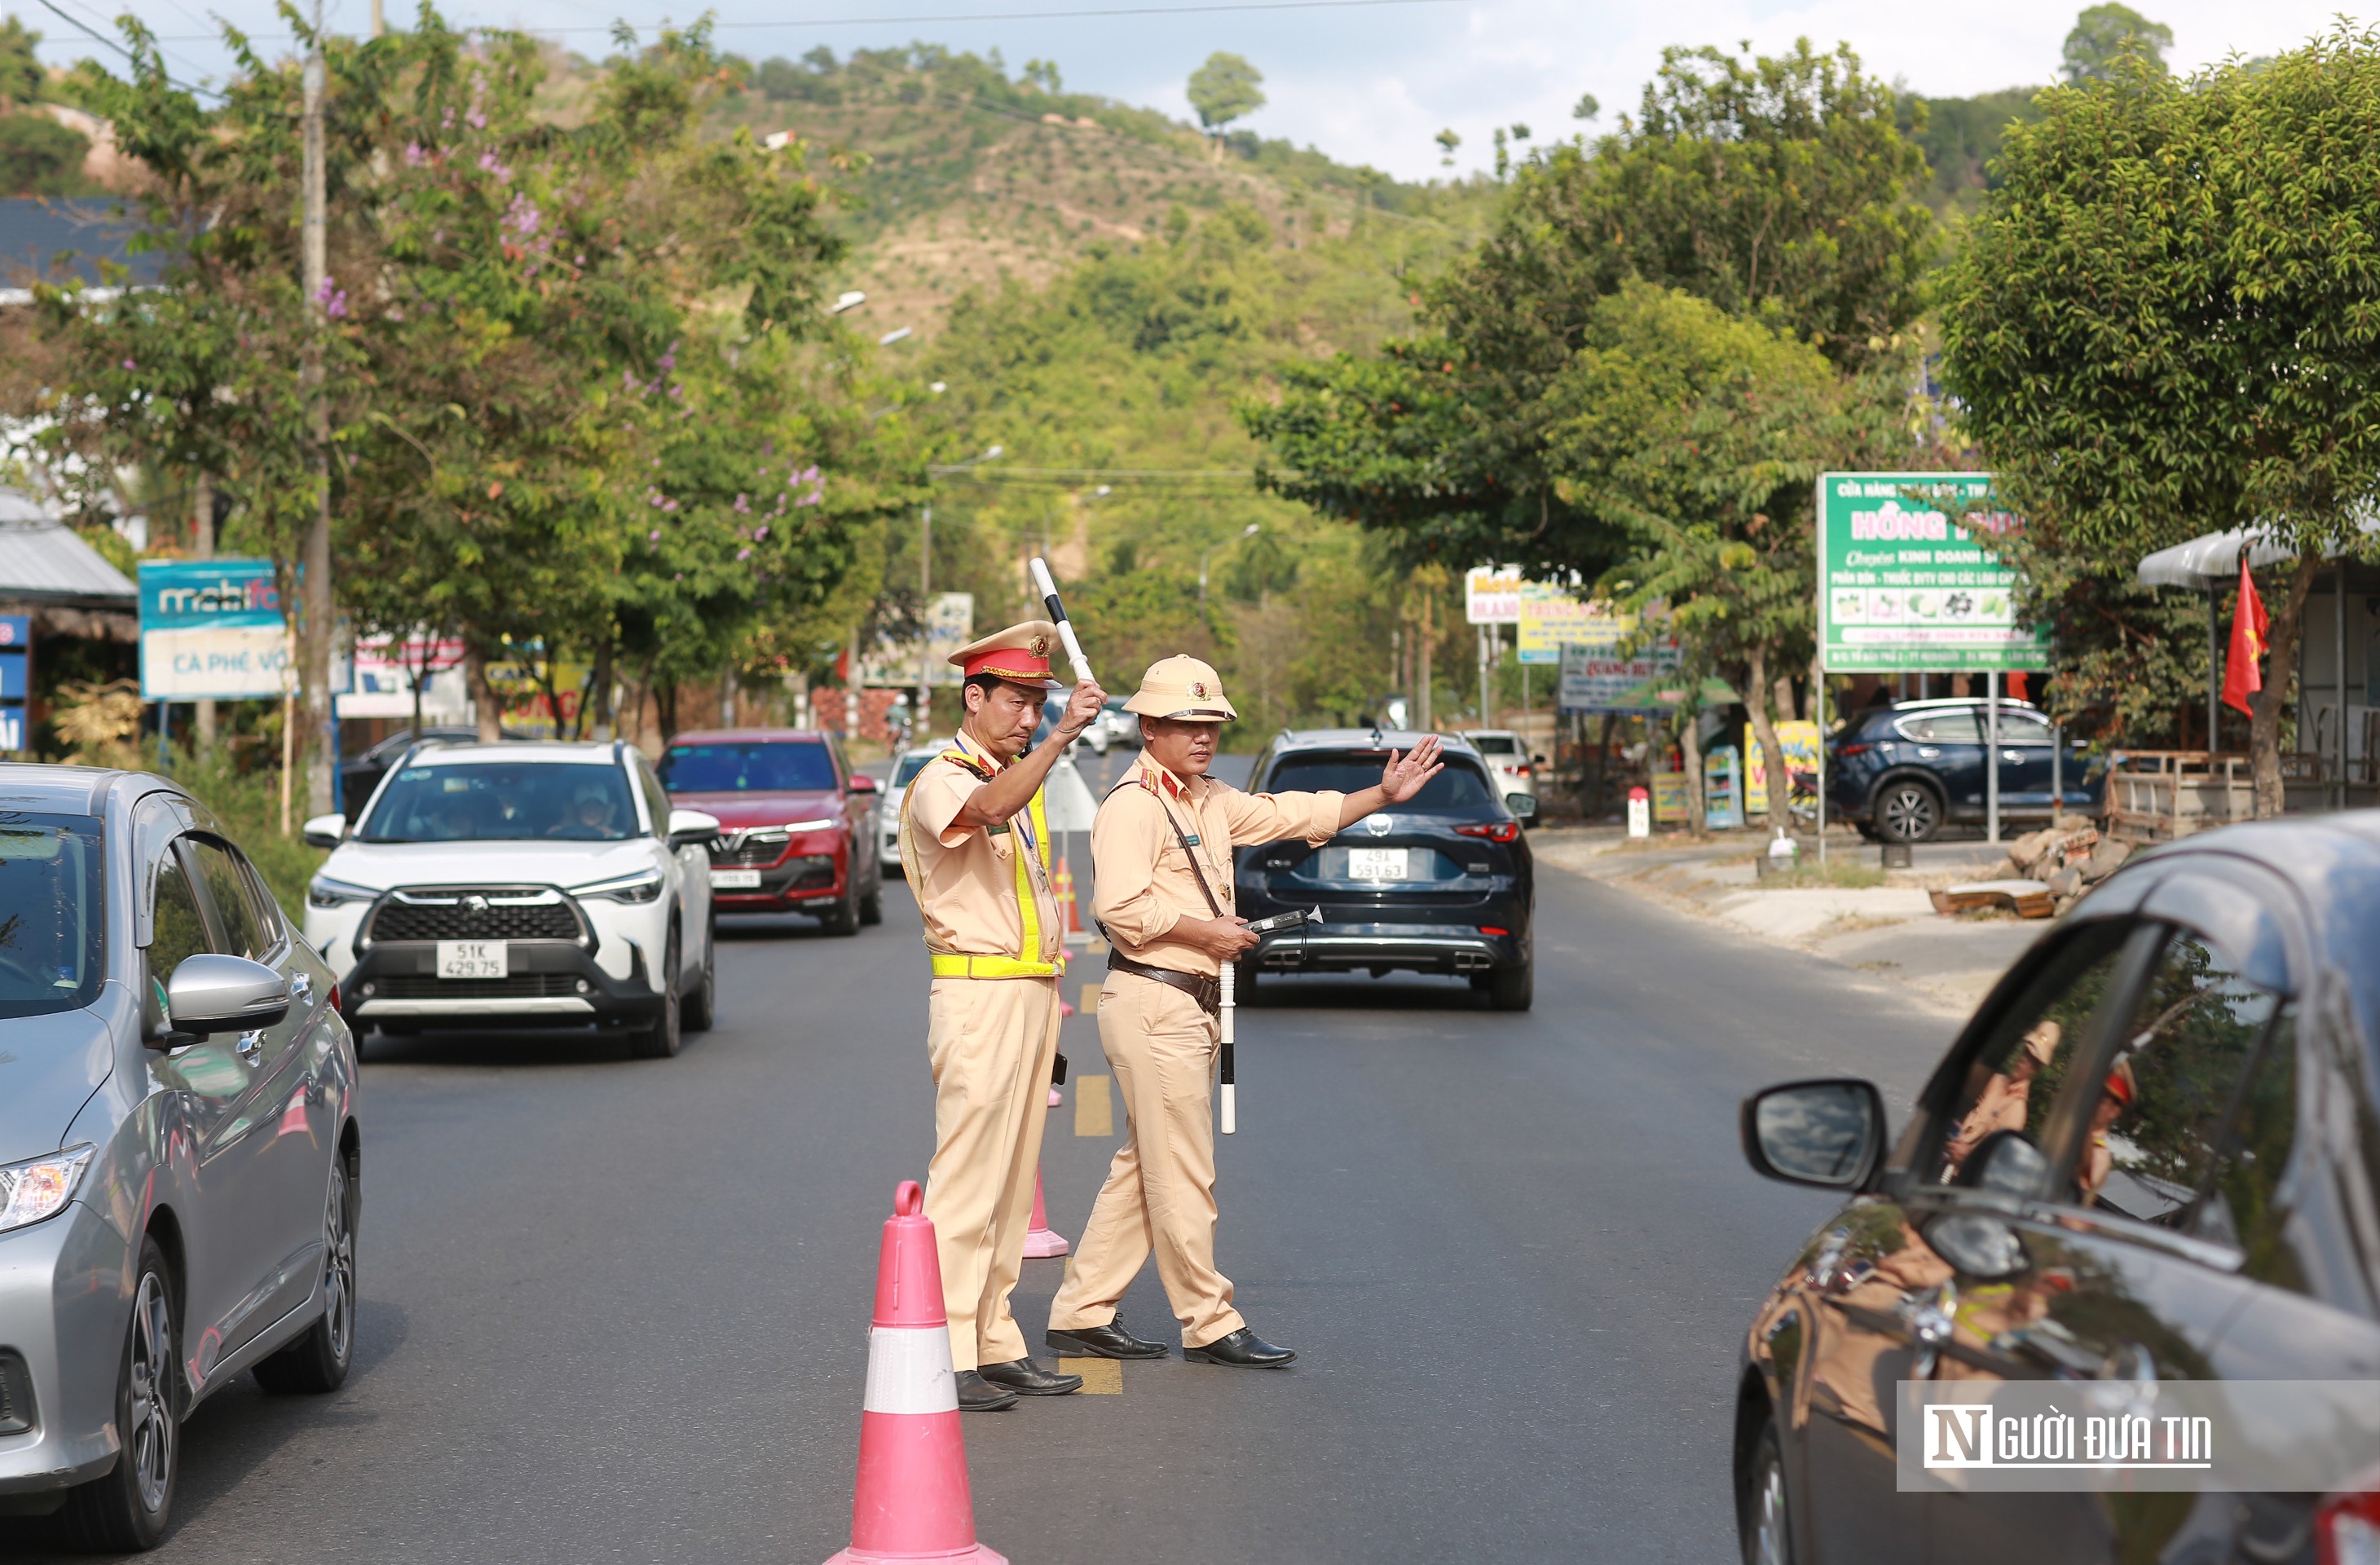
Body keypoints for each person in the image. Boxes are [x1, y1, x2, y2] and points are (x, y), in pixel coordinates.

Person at [1047, 655, 1442, 1368]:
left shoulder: (1207, 797)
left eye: (1212, 723)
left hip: (1184, 1003)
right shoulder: (1134, 805)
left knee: (1148, 1167)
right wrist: (1210, 932)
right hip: (1154, 998)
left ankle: (1080, 1311)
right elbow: (1120, 908)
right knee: (1185, 1171)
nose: (1203, 737)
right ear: (1149, 727)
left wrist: (1382, 793)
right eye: (1186, 723)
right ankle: (1208, 1321)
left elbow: (1294, 814)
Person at [898, 620, 1106, 1412]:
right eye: (1015, 701)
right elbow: (984, 810)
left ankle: (992, 1341)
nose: (1026, 716)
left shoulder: (1009, 774)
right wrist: (1058, 740)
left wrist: (1043, 745)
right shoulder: (945, 779)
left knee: (1012, 1187)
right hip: (977, 993)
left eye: (1037, 703)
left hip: (1026, 988)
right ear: (972, 696)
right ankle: (943, 1350)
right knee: (967, 1179)